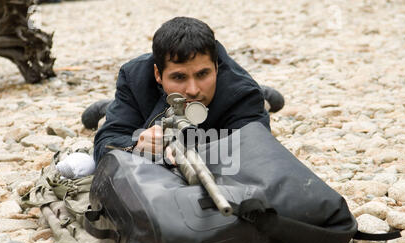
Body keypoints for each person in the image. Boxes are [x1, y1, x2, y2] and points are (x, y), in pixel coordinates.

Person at [86, 16, 284, 164]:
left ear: (216, 67)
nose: (193, 90)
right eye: (179, 77)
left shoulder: (242, 94)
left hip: (226, 108)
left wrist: (198, 150)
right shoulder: (135, 78)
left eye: (202, 74)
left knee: (256, 105)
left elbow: (257, 154)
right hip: (148, 105)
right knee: (119, 115)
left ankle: (263, 98)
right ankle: (109, 107)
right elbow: (106, 142)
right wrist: (135, 145)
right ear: (158, 74)